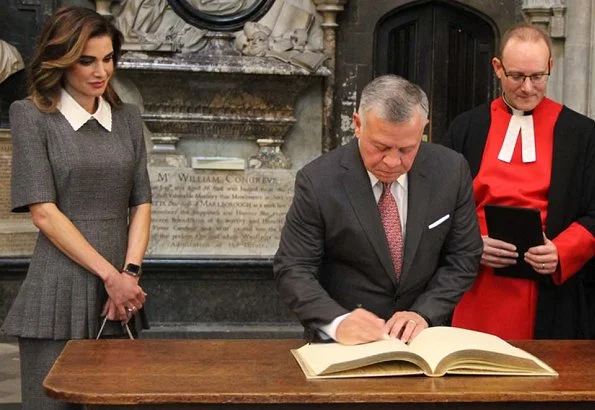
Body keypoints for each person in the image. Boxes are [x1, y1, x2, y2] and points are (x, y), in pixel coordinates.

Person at [0, 7, 152, 409]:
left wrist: (130, 273)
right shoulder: (32, 116)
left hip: (120, 296)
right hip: (59, 290)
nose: (101, 71)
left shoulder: (128, 119)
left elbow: (141, 202)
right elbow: (44, 212)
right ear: (61, 59)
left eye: (108, 59)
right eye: (87, 60)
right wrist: (110, 275)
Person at [274, 74, 483, 345]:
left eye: (407, 149)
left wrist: (424, 313)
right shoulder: (318, 181)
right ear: (358, 125)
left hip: (424, 339)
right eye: (381, 147)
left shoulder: (451, 170)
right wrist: (337, 321)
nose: (393, 161)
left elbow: (464, 255)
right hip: (342, 344)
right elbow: (293, 267)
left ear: (424, 129)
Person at [444, 23, 595, 340]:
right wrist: (470, 244)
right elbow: (438, 208)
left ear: (550, 67)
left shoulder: (582, 134)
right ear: (497, 68)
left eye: (537, 76)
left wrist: (562, 251)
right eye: (516, 76)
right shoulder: (466, 128)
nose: (528, 87)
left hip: (549, 289)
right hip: (475, 283)